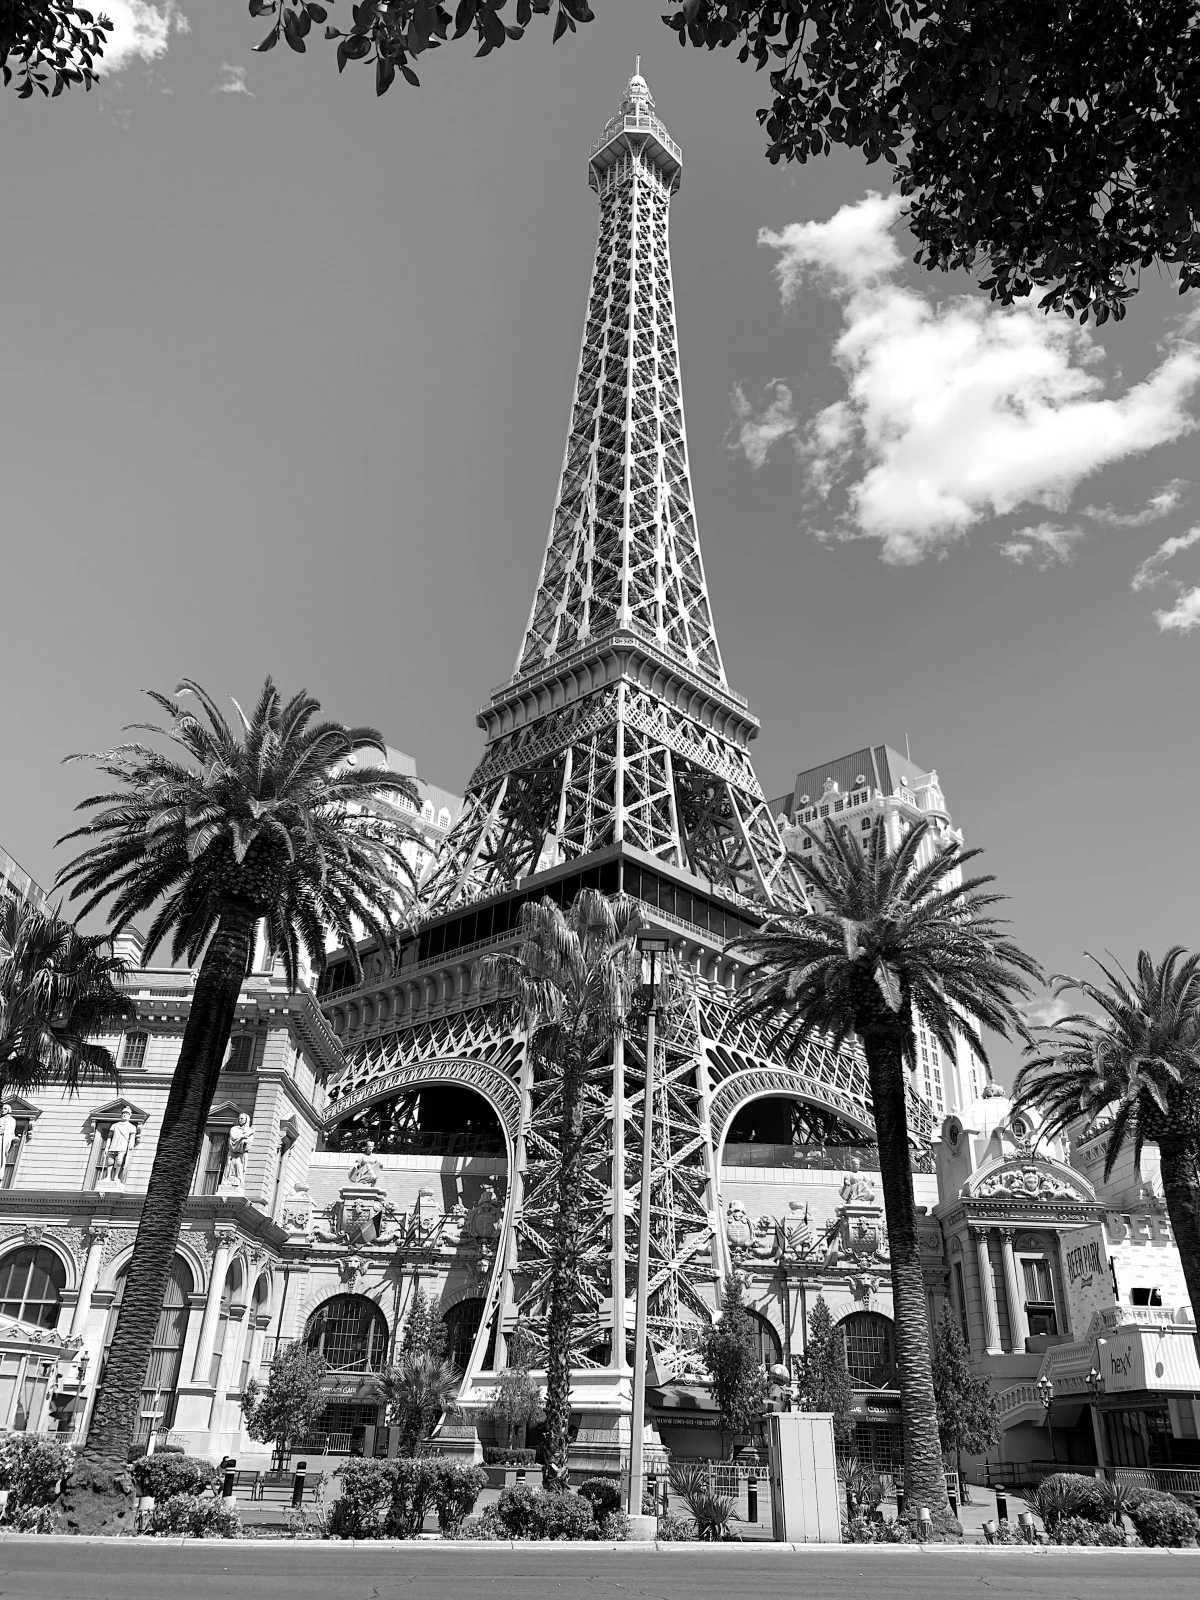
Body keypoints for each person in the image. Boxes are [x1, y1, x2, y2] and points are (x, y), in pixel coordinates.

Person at [102, 1108, 139, 1182]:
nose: (125, 1115)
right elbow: (109, 1136)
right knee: (110, 1161)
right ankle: (108, 1176)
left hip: (123, 1146)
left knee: (119, 1161)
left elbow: (132, 1138)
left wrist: (131, 1145)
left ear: (129, 1115)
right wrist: (106, 1147)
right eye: (123, 1113)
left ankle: (116, 1176)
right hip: (114, 1144)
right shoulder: (114, 1125)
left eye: (127, 1113)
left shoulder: (132, 1127)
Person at [224, 1114, 255, 1187]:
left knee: (238, 1164)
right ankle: (227, 1181)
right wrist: (242, 1137)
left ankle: (238, 1180)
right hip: (232, 1151)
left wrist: (244, 1141)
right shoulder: (234, 1129)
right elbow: (232, 1138)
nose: (240, 1120)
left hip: (242, 1153)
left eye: (242, 1119)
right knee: (229, 1165)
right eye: (239, 1118)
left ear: (246, 1120)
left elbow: (249, 1142)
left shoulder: (249, 1130)